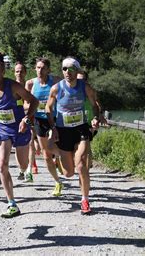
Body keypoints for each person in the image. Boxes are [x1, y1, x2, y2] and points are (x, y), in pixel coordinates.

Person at [45, 57, 101, 215]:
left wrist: (96, 117)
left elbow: (95, 104)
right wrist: (53, 127)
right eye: (64, 69)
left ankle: (84, 200)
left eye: (70, 69)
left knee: (81, 165)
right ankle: (59, 160)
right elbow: (48, 108)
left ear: (77, 71)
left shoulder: (85, 87)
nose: (67, 72)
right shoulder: (56, 88)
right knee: (69, 173)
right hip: (63, 131)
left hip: (81, 129)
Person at [0, 60, 38, 218]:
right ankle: (12, 204)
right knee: (2, 165)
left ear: (2, 72)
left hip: (20, 129)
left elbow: (34, 101)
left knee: (23, 164)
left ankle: (24, 170)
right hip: (2, 129)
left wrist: (26, 118)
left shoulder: (13, 86)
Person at [25, 57, 64, 196]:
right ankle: (58, 182)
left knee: (55, 146)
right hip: (39, 120)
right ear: (35, 69)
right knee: (46, 154)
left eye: (43, 68)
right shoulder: (30, 84)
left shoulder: (56, 81)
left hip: (55, 119)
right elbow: (25, 103)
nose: (40, 70)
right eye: (38, 68)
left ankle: (64, 157)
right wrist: (29, 111)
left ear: (48, 70)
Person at [13, 62, 39, 181]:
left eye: (21, 71)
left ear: (25, 72)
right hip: (15, 118)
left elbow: (33, 101)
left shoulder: (29, 85)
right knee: (18, 145)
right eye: (17, 71)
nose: (19, 73)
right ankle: (21, 169)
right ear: (14, 73)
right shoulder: (11, 86)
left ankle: (29, 169)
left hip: (29, 116)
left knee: (30, 142)